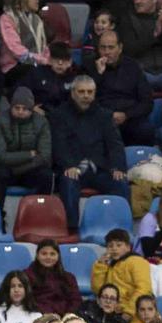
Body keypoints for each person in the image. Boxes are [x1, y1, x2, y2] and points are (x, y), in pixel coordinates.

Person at [49, 75, 129, 228]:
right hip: (73, 168)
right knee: (68, 182)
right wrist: (68, 165)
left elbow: (115, 145)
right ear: (73, 93)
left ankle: (122, 227)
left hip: (100, 169)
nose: (86, 95)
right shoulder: (59, 115)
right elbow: (59, 144)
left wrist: (118, 167)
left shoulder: (105, 115)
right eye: (81, 91)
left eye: (90, 92)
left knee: (120, 182)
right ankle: (72, 229)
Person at [0, 0, 48, 87]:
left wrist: (49, 61)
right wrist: (41, 61)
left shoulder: (37, 20)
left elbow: (44, 48)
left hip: (37, 65)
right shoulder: (7, 18)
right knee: (35, 73)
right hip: (14, 68)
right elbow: (16, 49)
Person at [91, 228, 151, 318]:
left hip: (133, 312)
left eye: (119, 245)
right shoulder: (108, 265)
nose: (114, 249)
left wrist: (129, 311)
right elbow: (98, 290)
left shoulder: (137, 262)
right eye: (110, 246)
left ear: (128, 247)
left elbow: (144, 289)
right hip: (112, 310)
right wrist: (101, 266)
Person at [25, 239, 81, 316]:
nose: (48, 257)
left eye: (52, 254)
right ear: (37, 255)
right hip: (37, 316)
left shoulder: (69, 277)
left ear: (58, 256)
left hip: (64, 317)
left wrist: (68, 315)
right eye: (44, 254)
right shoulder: (27, 276)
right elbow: (27, 301)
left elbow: (76, 300)